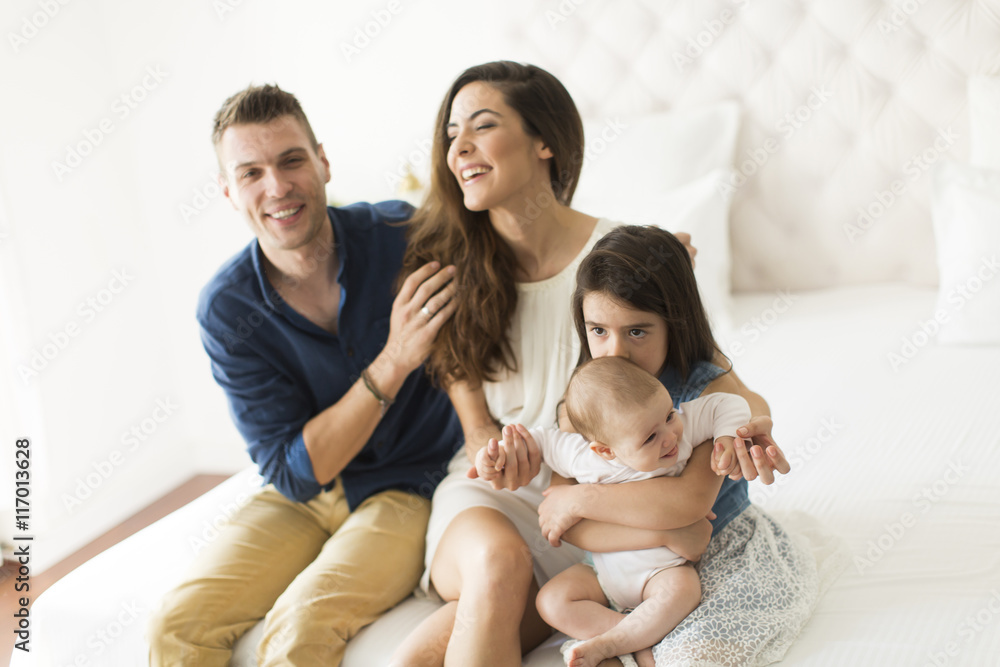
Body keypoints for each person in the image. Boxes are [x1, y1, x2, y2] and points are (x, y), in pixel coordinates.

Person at [390, 61, 787, 667]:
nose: (458, 148)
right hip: (494, 502)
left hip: (593, 508)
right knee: (496, 565)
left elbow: (726, 386)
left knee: (418, 657)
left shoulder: (621, 259)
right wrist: (499, 456)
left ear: (545, 140)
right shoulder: (453, 269)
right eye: (450, 134)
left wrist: (745, 432)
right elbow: (476, 434)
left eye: (482, 126)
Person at [146, 83, 464, 667]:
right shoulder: (227, 308)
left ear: (322, 161)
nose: (277, 187)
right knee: (176, 625)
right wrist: (394, 361)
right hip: (305, 497)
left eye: (291, 160)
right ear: (227, 191)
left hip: (407, 486)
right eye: (251, 172)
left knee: (301, 622)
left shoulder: (402, 237)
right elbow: (294, 474)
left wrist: (623, 254)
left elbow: (511, 267)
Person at [537, 224, 830, 666]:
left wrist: (579, 497)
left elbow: (687, 503)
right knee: (556, 603)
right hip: (623, 567)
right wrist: (662, 532)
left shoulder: (696, 399)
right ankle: (635, 640)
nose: (615, 351)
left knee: (696, 657)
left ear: (674, 324)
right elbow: (564, 526)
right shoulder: (585, 408)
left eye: (637, 331)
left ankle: (651, 645)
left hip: (718, 551)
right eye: (598, 330)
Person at [476, 356, 751, 667]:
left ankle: (621, 642)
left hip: (662, 571)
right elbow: (538, 441)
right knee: (551, 601)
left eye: (669, 415)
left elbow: (728, 404)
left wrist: (727, 437)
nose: (669, 436)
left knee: (683, 591)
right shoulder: (583, 459)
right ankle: (630, 635)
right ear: (605, 450)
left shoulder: (682, 432)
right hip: (603, 574)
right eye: (650, 437)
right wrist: (497, 455)